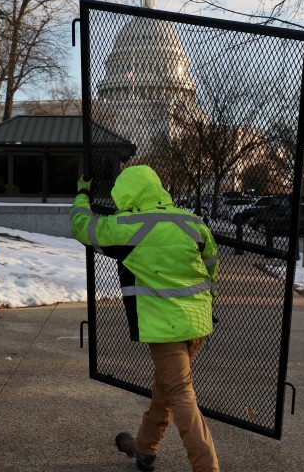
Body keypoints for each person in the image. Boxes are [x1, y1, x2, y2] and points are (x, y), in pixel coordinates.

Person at [70, 165, 220, 472]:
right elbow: (212, 265)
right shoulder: (191, 222)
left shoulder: (128, 225)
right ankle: (144, 450)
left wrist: (83, 194)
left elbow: (82, 228)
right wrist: (207, 301)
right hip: (199, 322)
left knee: (179, 393)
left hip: (164, 328)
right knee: (165, 388)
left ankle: (207, 467)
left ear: (125, 193)